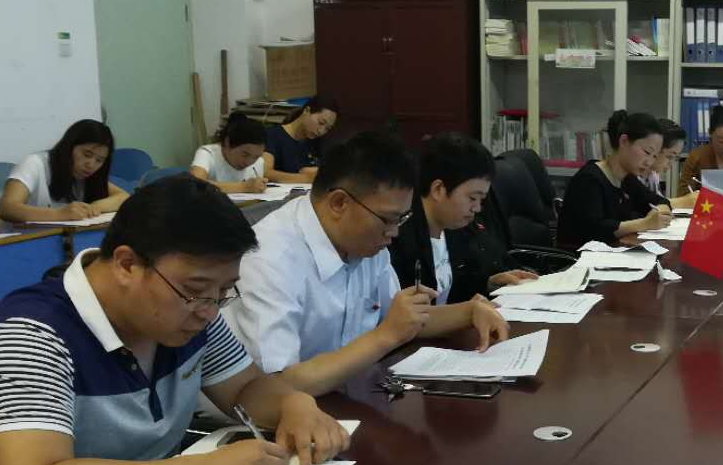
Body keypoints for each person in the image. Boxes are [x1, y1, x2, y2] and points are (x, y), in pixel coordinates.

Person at [0, 176, 348, 465]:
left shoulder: (186, 315)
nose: (209, 310)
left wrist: (294, 405)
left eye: (223, 291)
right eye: (196, 291)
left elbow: (245, 388)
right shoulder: (35, 333)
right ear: (127, 264)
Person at [224, 131, 508, 397]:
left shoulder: (366, 241)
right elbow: (276, 387)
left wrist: (468, 312)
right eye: (388, 219)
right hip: (277, 417)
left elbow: (403, 320)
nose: (394, 232)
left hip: (349, 396)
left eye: (402, 219)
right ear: (339, 203)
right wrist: (384, 336)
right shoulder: (269, 260)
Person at [388, 133, 536, 303]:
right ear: (438, 189)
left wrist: (489, 283)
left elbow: (457, 287)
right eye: (472, 198)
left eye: (481, 200)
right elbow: (413, 311)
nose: (477, 208)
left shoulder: (456, 227)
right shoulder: (398, 237)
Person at [555, 110, 672, 248]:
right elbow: (595, 230)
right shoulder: (589, 179)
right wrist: (645, 223)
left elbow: (659, 201)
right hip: (580, 256)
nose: (649, 162)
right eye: (647, 152)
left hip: (614, 251)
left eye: (654, 156)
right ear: (624, 141)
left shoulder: (627, 179)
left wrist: (661, 211)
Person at [0, 119, 128, 223]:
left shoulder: (87, 176)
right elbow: (7, 208)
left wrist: (93, 208)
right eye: (87, 155)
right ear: (69, 147)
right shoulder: (34, 164)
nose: (91, 165)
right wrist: (58, 214)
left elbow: (123, 197)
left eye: (99, 160)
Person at [264, 98, 338, 184]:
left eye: (327, 129)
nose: (321, 131)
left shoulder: (316, 141)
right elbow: (266, 172)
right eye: (321, 123)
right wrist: (307, 178)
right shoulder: (272, 135)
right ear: (307, 111)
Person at [190, 114, 268, 194]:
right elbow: (195, 185)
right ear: (227, 143)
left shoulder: (259, 161)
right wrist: (243, 187)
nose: (249, 162)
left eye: (256, 157)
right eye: (245, 155)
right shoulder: (207, 154)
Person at [643, 118, 697, 209]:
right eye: (670, 156)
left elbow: (658, 201)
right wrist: (683, 202)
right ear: (655, 149)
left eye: (675, 158)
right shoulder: (634, 174)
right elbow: (647, 207)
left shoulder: (653, 174)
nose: (671, 164)